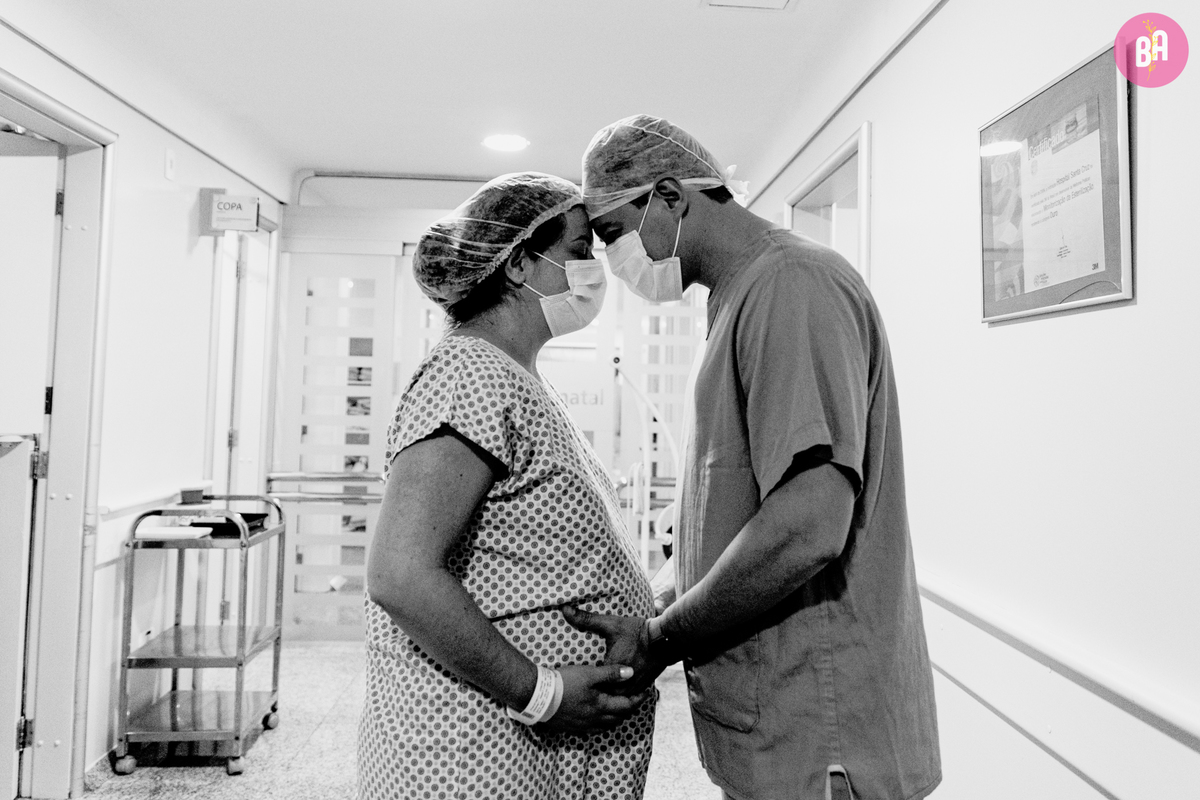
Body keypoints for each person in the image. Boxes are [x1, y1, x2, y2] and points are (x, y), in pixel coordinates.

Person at [564, 115, 941, 800]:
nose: (614, 260)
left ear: (669, 196)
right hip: (777, 726)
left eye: (613, 232)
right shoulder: (736, 298)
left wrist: (661, 636)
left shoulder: (792, 285)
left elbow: (808, 526)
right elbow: (734, 509)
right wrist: (657, 601)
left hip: (819, 734)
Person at [360, 172, 656, 799]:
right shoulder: (469, 374)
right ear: (520, 263)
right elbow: (400, 574)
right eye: (579, 249)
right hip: (476, 747)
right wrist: (538, 692)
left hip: (538, 748)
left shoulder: (515, 375)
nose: (594, 268)